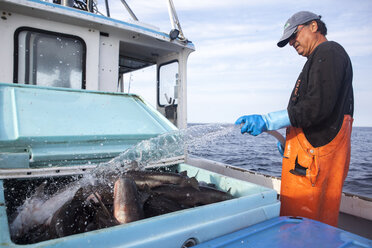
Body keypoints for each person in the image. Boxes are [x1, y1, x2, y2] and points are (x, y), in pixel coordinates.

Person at [235, 11, 353, 227]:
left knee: (306, 232)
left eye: (294, 36)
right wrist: (288, 141)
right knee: (299, 229)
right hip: (305, 161)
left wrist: (267, 120)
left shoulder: (330, 52)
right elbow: (311, 111)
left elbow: (316, 108)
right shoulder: (317, 59)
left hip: (313, 167)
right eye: (289, 40)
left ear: (314, 26)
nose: (291, 43)